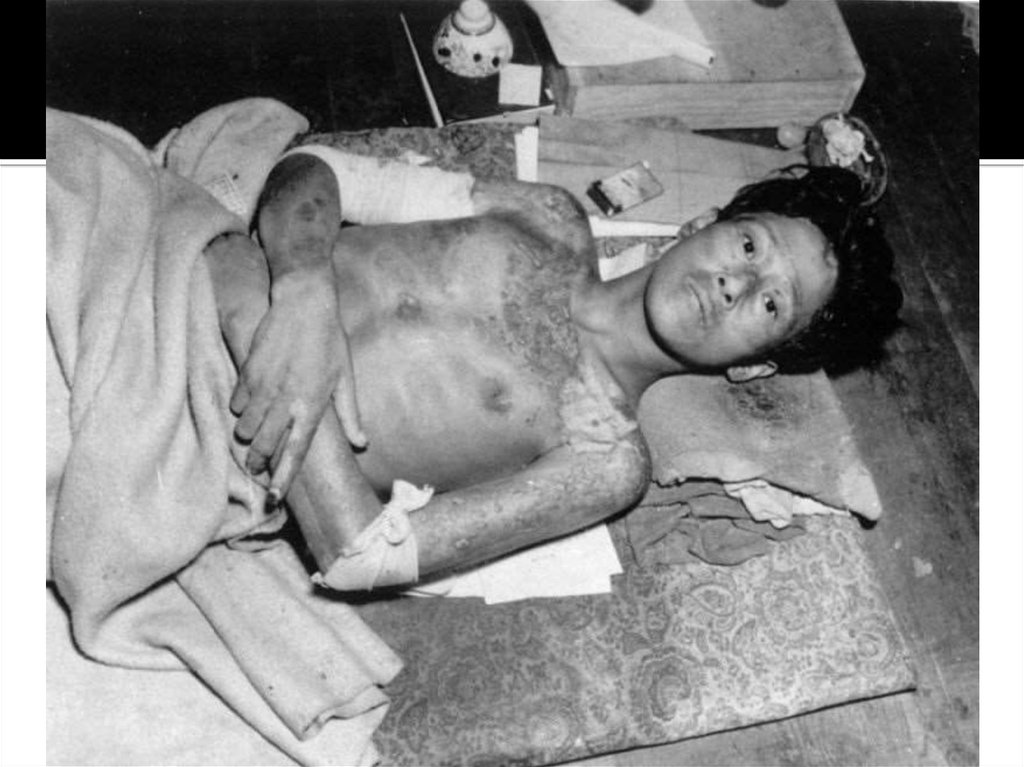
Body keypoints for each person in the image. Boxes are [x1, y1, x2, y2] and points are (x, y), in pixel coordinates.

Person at [202, 150, 901, 592]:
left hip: (207, 440)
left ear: (754, 366)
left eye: (772, 303)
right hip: (178, 273)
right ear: (701, 224)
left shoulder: (605, 458)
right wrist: (300, 288)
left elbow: (361, 556)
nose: (735, 284)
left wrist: (254, 315)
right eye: (750, 246)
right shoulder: (548, 214)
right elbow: (317, 170)